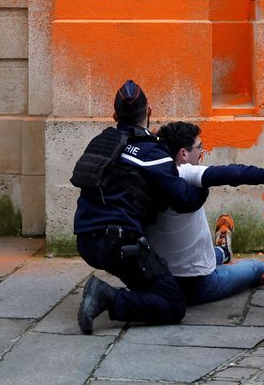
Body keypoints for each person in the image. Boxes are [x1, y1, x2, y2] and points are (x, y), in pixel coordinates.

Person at [71, 80, 209, 334]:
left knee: (150, 285)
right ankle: (107, 296)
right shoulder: (152, 153)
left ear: (114, 116)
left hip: (85, 242)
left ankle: (120, 293)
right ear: (150, 111)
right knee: (173, 304)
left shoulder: (100, 143)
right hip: (120, 246)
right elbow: (185, 200)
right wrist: (202, 180)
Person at [149, 121, 264, 305]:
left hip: (157, 279)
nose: (202, 152)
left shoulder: (147, 175)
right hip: (197, 283)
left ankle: (223, 251)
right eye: (199, 147)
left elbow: (231, 173)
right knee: (255, 269)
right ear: (183, 153)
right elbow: (233, 173)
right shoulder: (183, 172)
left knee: (211, 253)